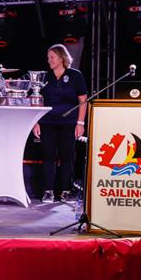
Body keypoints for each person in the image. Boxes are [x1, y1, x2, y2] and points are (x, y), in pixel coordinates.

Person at [32, 44, 87, 203]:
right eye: (48, 58)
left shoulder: (75, 75)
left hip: (69, 123)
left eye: (52, 57)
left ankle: (65, 191)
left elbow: (83, 101)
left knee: (67, 157)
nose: (49, 61)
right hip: (47, 122)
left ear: (62, 58)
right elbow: (37, 101)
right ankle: (48, 191)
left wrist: (80, 123)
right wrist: (36, 122)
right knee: (48, 156)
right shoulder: (45, 77)